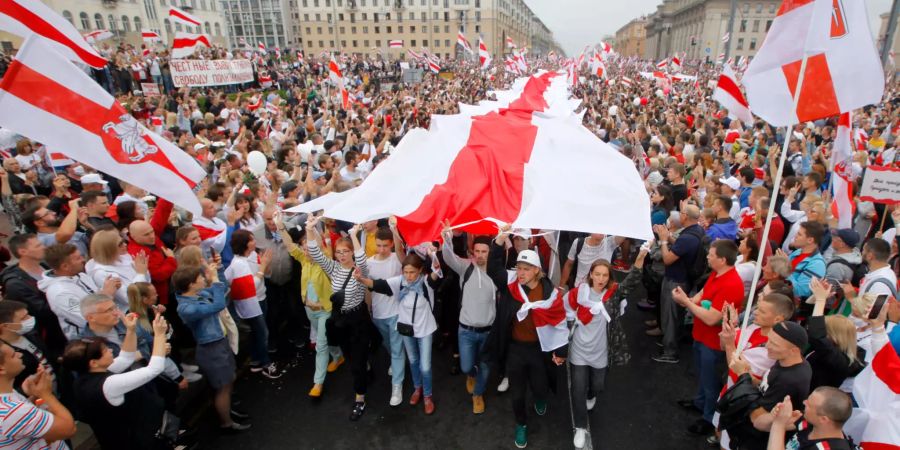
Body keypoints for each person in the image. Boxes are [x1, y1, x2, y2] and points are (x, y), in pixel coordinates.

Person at [485, 224, 567, 449]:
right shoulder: (510, 284)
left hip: (539, 350)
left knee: (540, 386)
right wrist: (501, 238)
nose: (520, 273)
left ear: (537, 271)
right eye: (518, 268)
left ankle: (540, 397)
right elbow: (493, 268)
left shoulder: (549, 292)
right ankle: (521, 423)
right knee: (518, 393)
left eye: (526, 269)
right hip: (515, 349)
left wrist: (560, 351)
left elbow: (559, 321)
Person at [562, 249, 645, 449]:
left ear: (609, 277)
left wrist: (641, 258)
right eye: (597, 274)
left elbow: (632, 281)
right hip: (579, 351)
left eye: (604, 275)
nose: (600, 278)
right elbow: (566, 311)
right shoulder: (578, 292)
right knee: (577, 389)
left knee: (597, 385)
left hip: (601, 352)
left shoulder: (614, 293)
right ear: (590, 274)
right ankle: (581, 427)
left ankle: (592, 395)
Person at [63, 311, 173, 449]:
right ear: (93, 363)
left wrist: (131, 330)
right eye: (105, 351)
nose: (110, 350)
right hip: (132, 441)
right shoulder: (108, 384)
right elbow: (154, 369)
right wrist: (159, 334)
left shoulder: (84, 378)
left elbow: (126, 357)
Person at [305, 216, 376, 421]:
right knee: (353, 357)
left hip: (358, 320)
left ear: (351, 253)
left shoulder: (359, 270)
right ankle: (366, 367)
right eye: (338, 252)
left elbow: (361, 258)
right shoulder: (333, 268)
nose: (342, 255)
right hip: (341, 322)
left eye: (346, 252)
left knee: (356, 366)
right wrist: (310, 230)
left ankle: (360, 399)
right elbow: (317, 254)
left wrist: (354, 235)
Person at [671, 240, 745, 435]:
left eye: (711, 255)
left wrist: (686, 302)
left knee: (711, 381)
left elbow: (712, 318)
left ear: (722, 259)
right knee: (703, 375)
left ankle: (708, 418)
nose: (707, 257)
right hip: (701, 335)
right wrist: (689, 299)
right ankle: (700, 402)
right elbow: (703, 294)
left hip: (713, 342)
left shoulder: (731, 284)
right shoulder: (717, 273)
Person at [356, 253, 441, 415]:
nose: (408, 276)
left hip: (425, 329)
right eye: (406, 272)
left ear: (420, 271)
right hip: (406, 329)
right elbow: (377, 285)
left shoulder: (426, 282)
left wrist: (435, 253)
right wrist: (360, 279)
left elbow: (437, 270)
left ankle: (428, 396)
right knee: (414, 361)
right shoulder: (399, 282)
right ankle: (417, 389)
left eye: (412, 272)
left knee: (426, 366)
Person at [174, 263, 250, 433]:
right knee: (223, 387)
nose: (203, 279)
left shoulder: (198, 294)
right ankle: (226, 423)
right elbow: (218, 305)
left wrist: (219, 272)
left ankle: (227, 412)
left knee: (227, 382)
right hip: (211, 349)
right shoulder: (187, 308)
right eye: (199, 277)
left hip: (219, 344)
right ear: (191, 284)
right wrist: (214, 280)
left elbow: (222, 292)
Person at [274, 215, 342, 398]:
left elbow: (317, 246)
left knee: (320, 345)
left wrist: (311, 230)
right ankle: (338, 356)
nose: (305, 252)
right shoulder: (303, 261)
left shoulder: (324, 262)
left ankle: (317, 383)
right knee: (325, 339)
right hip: (309, 310)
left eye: (309, 249)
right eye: (304, 249)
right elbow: (290, 246)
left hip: (325, 310)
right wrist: (280, 227)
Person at [441, 221, 498, 415]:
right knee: (466, 366)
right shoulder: (465, 267)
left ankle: (478, 394)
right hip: (466, 331)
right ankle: (471, 375)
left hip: (488, 332)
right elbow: (448, 256)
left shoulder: (497, 273)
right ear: (472, 252)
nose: (481, 255)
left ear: (490, 252)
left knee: (485, 367)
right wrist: (446, 236)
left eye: (484, 251)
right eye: (478, 251)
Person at [728, 321, 813, 450]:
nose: (767, 345)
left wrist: (743, 375)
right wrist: (748, 373)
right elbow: (765, 386)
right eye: (769, 340)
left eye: (774, 344)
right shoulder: (789, 361)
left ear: (793, 350)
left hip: (757, 440)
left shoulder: (789, 380)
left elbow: (758, 419)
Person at [224, 229, 280, 378]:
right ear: (245, 244)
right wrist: (262, 268)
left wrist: (265, 265)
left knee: (257, 332)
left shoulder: (253, 255)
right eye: (252, 240)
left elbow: (264, 275)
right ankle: (266, 363)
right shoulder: (239, 264)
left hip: (261, 298)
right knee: (262, 333)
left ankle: (256, 361)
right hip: (252, 304)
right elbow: (250, 286)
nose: (255, 241)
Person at [0, 341, 76, 450]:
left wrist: (34, 395)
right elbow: (68, 429)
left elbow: (22, 421)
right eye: (13, 355)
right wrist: (46, 394)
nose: (20, 354)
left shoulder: (7, 397)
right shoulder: (11, 411)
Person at [0, 233, 67, 354]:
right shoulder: (16, 285)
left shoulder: (44, 265)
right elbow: (42, 311)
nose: (43, 247)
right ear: (23, 251)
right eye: (38, 246)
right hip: (53, 337)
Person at [653, 204, 704, 364]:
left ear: (685, 216)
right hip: (684, 279)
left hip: (676, 281)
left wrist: (663, 241)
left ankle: (670, 351)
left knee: (670, 316)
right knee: (675, 316)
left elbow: (668, 259)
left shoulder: (687, 237)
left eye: (681, 213)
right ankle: (672, 340)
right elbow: (681, 246)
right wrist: (668, 236)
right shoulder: (696, 231)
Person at [37, 243, 119, 340]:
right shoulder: (60, 293)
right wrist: (107, 294)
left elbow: (94, 298)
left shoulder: (80, 275)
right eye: (78, 258)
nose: (83, 260)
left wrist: (107, 287)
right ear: (65, 266)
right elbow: (88, 319)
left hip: (112, 328)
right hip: (94, 340)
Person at [364, 221, 406, 406]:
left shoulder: (396, 259)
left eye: (385, 246)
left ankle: (397, 386)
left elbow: (402, 253)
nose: (381, 249)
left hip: (396, 312)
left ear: (391, 244)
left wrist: (395, 231)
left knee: (396, 349)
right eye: (379, 245)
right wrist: (368, 308)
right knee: (388, 345)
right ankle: (398, 362)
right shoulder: (369, 263)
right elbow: (367, 288)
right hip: (378, 313)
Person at [806, 278, 865, 390]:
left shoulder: (841, 360)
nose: (821, 329)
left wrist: (820, 300)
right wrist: (816, 297)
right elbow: (808, 320)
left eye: (825, 329)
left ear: (834, 336)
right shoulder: (835, 351)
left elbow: (816, 335)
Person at [766, 387, 856, 450]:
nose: (804, 402)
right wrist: (775, 416)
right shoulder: (811, 421)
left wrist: (779, 424)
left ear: (823, 419)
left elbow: (777, 427)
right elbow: (760, 424)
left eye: (809, 405)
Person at [86, 229, 150, 312]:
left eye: (123, 241)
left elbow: (147, 281)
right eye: (120, 244)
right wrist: (141, 274)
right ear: (109, 249)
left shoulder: (124, 257)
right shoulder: (101, 273)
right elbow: (128, 298)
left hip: (144, 305)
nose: (125, 245)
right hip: (131, 313)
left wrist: (143, 271)